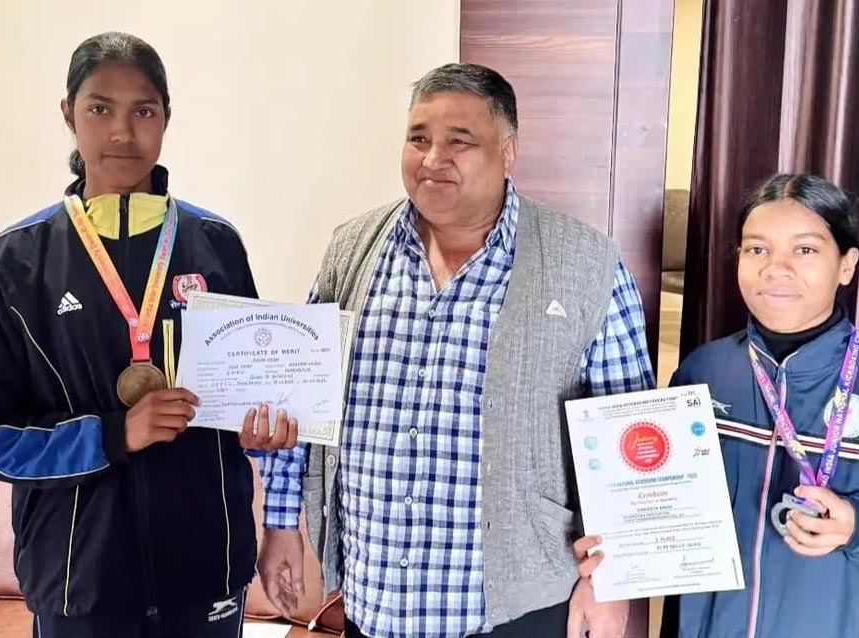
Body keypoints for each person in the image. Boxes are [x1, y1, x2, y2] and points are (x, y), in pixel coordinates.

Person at [257, 63, 654, 638]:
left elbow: (631, 439)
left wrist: (611, 584)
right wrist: (280, 525)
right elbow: (301, 395)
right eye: (418, 138)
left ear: (508, 151)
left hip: (516, 609)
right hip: (373, 597)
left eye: (459, 141)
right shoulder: (352, 250)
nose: (432, 158)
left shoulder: (587, 265)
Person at [0, 31, 296, 638]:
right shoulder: (14, 263)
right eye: (100, 108)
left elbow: (247, 389)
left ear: (166, 117)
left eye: (144, 111)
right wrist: (110, 434)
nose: (122, 133)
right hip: (78, 581)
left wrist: (263, 429)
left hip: (206, 571)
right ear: (69, 115)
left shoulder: (217, 246)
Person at [573, 173, 859, 638]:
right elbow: (654, 499)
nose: (775, 268)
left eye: (804, 250)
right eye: (757, 249)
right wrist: (615, 550)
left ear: (847, 265)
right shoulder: (702, 373)